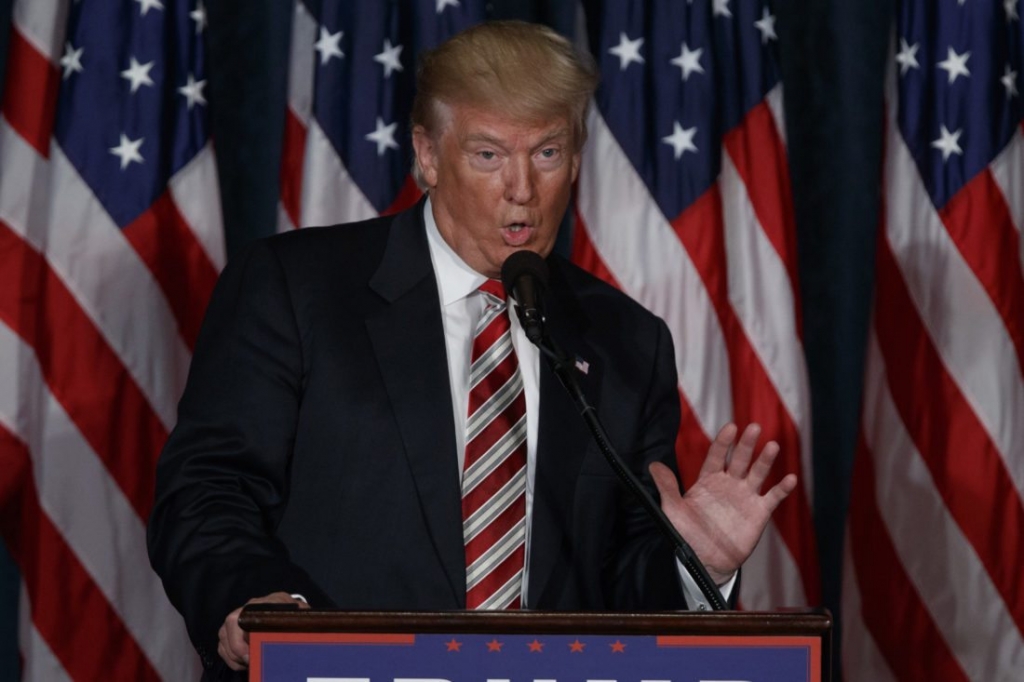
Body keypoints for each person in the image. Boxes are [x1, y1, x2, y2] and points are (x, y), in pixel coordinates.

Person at [147, 20, 797, 680]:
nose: (522, 189)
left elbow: (621, 595)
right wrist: (253, 601)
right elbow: (206, 491)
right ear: (428, 155)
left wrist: (699, 566)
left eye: (546, 153)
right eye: (488, 155)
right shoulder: (296, 288)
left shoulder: (626, 340)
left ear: (574, 159)